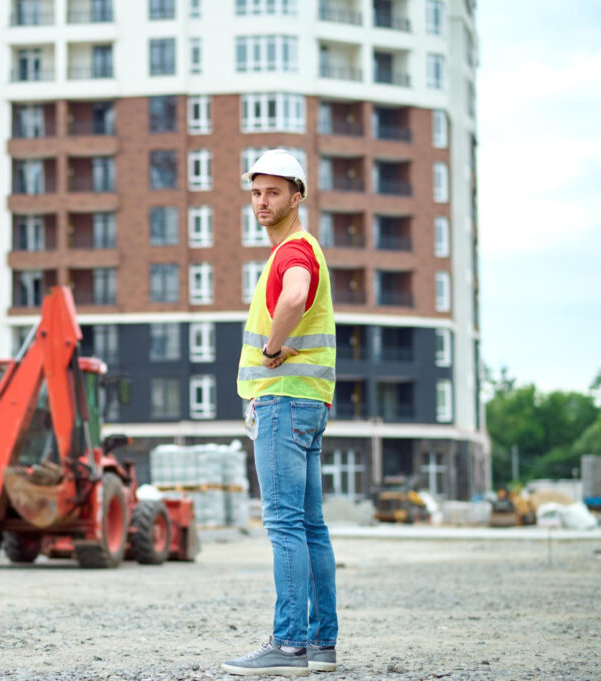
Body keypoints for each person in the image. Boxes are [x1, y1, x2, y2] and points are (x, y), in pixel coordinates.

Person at [221, 149, 338, 677]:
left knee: (285, 524)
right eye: (256, 192)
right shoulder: (304, 248)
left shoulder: (292, 253)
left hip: (283, 401)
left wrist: (271, 350)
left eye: (273, 192)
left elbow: (292, 299)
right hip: (308, 404)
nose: (262, 201)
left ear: (298, 196)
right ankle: (321, 645)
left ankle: (288, 645)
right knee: (311, 527)